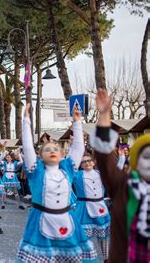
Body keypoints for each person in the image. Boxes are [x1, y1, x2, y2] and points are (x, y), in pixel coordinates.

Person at [16, 103, 97, 262]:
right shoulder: (36, 170)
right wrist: (26, 121)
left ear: (62, 154)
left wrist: (77, 122)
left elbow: (78, 149)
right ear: (40, 156)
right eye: (47, 150)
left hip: (67, 219)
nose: (52, 151)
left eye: (55, 149)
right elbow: (27, 147)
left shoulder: (68, 168)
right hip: (41, 221)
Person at [90, 89, 150, 262]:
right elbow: (103, 156)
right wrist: (104, 116)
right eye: (146, 156)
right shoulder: (123, 185)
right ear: (136, 161)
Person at [72, 153, 111, 261]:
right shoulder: (77, 175)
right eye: (84, 162)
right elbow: (68, 168)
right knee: (83, 238)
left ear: (94, 162)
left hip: (100, 208)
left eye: (89, 160)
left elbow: (116, 172)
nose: (87, 163)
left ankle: (107, 259)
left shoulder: (101, 174)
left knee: (104, 238)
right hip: (84, 210)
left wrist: (121, 157)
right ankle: (83, 259)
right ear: (81, 165)